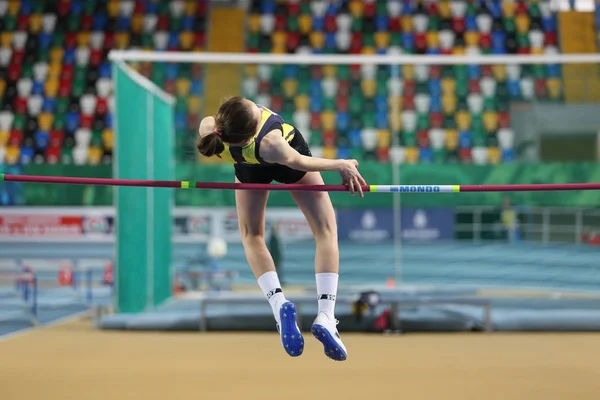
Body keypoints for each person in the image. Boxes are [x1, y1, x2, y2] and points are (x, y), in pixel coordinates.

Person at [196, 96, 366, 361]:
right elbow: (300, 162)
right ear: (252, 129)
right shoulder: (272, 142)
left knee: (252, 235)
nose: (255, 104)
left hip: (248, 166)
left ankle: (278, 304)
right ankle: (326, 316)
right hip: (285, 158)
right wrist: (341, 164)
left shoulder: (210, 130)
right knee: (325, 230)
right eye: (253, 107)